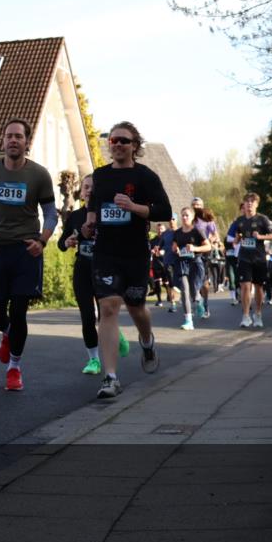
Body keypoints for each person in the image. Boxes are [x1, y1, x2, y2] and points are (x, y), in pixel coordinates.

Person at [0, 118, 58, 391]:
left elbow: (51, 213)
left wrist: (42, 241)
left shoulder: (39, 175)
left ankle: (14, 368)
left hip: (26, 251)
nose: (14, 140)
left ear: (26, 142)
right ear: (3, 141)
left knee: (19, 312)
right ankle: (7, 334)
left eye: (19, 136)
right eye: (9, 136)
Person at [82, 121, 171, 398]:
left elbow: (164, 211)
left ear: (135, 145)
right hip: (105, 252)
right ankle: (110, 377)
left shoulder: (145, 176)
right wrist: (89, 224)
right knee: (108, 307)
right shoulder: (100, 176)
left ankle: (147, 341)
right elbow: (94, 208)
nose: (118, 144)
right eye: (113, 140)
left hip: (135, 253)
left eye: (124, 140)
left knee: (136, 308)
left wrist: (134, 207)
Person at [60, 174, 129, 374]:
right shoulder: (74, 216)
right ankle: (94, 360)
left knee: (105, 312)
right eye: (86, 187)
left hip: (104, 268)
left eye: (93, 187)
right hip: (82, 269)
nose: (89, 190)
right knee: (87, 316)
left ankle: (116, 332)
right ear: (81, 192)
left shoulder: (107, 213)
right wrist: (67, 242)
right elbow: (62, 243)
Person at [233, 192, 272, 328]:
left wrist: (261, 237)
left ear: (256, 204)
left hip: (259, 259)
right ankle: (245, 316)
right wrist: (237, 239)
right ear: (244, 205)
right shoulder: (239, 221)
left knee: (258, 287)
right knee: (245, 286)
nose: (249, 203)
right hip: (244, 257)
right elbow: (235, 238)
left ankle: (257, 313)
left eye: (252, 201)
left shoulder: (263, 219)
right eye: (247, 201)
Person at [171, 207, 211, 330]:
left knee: (194, 291)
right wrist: (176, 249)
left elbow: (208, 247)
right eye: (182, 215)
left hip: (195, 262)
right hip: (182, 263)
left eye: (187, 215)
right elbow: (174, 247)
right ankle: (188, 320)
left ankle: (198, 301)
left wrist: (195, 249)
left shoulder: (197, 231)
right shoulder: (177, 233)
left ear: (192, 217)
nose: (184, 218)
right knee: (184, 290)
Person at [191, 197, 218, 319]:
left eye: (198, 204)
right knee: (193, 278)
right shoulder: (190, 218)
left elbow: (215, 235)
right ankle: (197, 300)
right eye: (194, 204)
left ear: (202, 205)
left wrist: (210, 241)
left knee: (204, 280)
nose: (196, 206)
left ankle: (205, 304)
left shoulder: (207, 220)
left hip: (204, 252)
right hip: (191, 251)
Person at [224, 205, 244, 306]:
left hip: (245, 257)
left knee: (240, 279)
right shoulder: (228, 237)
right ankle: (233, 298)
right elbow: (226, 245)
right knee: (232, 279)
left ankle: (243, 295)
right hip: (231, 259)